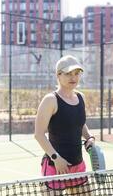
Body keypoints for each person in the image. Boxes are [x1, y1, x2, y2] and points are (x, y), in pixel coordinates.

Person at [34, 55, 95, 194]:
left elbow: (79, 124)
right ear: (58, 75)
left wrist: (89, 137)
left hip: (78, 166)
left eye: (76, 73)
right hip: (55, 167)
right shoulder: (50, 100)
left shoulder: (81, 97)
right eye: (68, 74)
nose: (73, 77)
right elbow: (39, 134)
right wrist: (56, 158)